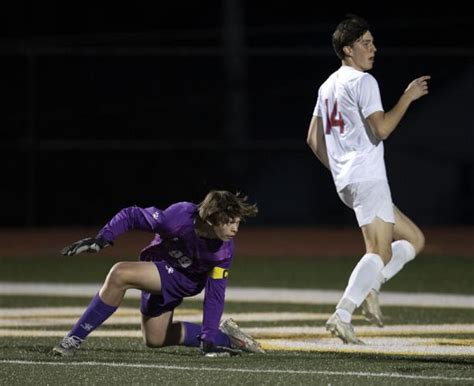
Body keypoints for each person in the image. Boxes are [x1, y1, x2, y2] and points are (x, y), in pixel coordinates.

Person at [306, 15, 428, 344]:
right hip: (367, 177)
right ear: (347, 49)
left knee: (414, 240)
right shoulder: (363, 82)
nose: (373, 48)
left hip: (350, 180)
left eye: (373, 42)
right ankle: (343, 313)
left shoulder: (327, 85)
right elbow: (383, 129)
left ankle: (371, 286)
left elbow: (313, 139)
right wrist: (408, 97)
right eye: (365, 43)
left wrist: (339, 168)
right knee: (377, 251)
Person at [52, 190, 265, 357]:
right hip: (160, 267)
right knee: (155, 338)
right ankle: (227, 337)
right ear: (210, 218)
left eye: (237, 222)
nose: (235, 229)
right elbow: (132, 214)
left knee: (120, 273)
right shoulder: (179, 216)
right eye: (229, 222)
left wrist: (206, 339)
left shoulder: (223, 252)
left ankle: (73, 340)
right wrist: (102, 239)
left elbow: (215, 295)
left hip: (183, 281)